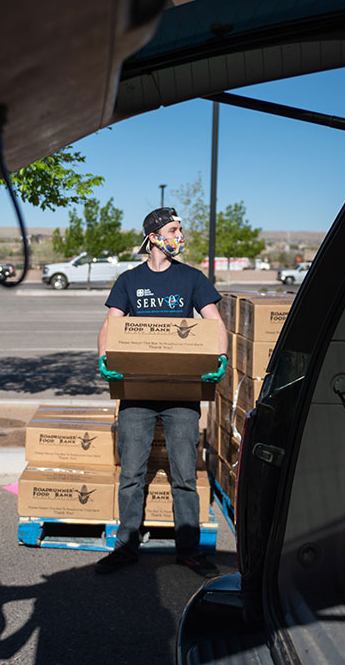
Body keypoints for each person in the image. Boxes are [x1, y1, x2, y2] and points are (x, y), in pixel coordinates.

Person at [94, 207, 228, 577]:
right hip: (136, 393)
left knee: (185, 474)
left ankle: (188, 550)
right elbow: (110, 324)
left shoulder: (192, 279)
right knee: (132, 474)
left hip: (182, 394)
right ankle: (125, 547)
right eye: (173, 229)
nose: (179, 235)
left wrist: (221, 356)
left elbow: (214, 322)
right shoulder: (128, 280)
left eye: (180, 229)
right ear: (154, 236)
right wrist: (103, 357)